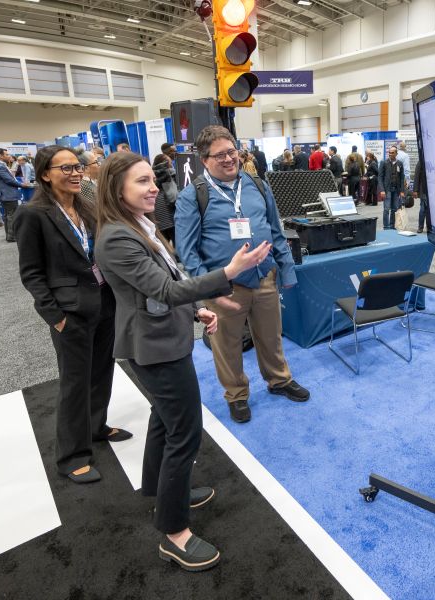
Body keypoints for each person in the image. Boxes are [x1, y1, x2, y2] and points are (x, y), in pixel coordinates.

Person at [94, 151, 271, 572]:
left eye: (152, 180)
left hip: (164, 339)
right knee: (185, 434)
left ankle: (159, 490)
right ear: (117, 189)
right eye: (142, 181)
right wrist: (228, 273)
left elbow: (169, 279)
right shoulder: (117, 237)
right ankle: (174, 533)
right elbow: (166, 290)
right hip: (155, 349)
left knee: (165, 420)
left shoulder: (139, 225)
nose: (154, 187)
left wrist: (197, 310)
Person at [175, 125, 310, 424]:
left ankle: (279, 379)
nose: (228, 159)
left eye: (231, 151)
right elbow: (187, 252)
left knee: (271, 336)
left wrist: (286, 270)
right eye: (219, 155)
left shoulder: (257, 185)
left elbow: (275, 230)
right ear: (204, 159)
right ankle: (236, 395)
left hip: (264, 278)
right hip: (224, 286)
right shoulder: (193, 196)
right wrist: (209, 291)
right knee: (227, 345)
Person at [13, 145, 130, 484]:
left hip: (104, 302)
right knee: (75, 382)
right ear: (45, 174)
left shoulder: (86, 206)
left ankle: (95, 426)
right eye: (65, 168)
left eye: (77, 166)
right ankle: (72, 456)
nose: (76, 173)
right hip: (70, 311)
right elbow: (31, 273)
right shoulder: (32, 214)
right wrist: (55, 315)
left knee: (102, 370)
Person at [0, 148, 32, 242]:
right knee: (12, 216)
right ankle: (12, 236)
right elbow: (8, 180)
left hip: (3, 194)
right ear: (0, 156)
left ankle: (9, 235)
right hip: (8, 194)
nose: (9, 156)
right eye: (7, 154)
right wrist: (22, 185)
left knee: (7, 216)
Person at [151, 154, 179, 244]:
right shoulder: (172, 174)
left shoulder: (152, 176)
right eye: (170, 162)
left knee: (163, 246)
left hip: (158, 217)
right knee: (178, 246)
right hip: (171, 216)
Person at [379, 146, 405, 229]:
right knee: (386, 209)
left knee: (394, 208)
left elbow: (402, 178)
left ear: (396, 153)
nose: (390, 154)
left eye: (392, 153)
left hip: (396, 190)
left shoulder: (400, 163)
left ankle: (392, 226)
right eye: (389, 152)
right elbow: (380, 177)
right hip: (387, 190)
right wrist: (382, 190)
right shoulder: (384, 163)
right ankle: (386, 227)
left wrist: (402, 191)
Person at [413, 157, 429, 233]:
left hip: (432, 191)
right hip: (423, 190)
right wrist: (415, 190)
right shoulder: (420, 162)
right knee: (423, 209)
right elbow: (416, 176)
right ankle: (420, 227)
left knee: (430, 211)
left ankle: (429, 227)